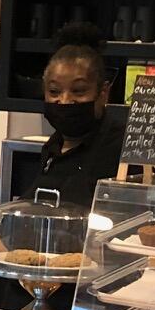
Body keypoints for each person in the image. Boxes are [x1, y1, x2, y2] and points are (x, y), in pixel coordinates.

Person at [33, 22, 126, 205]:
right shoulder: (52, 147)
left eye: (79, 91)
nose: (65, 100)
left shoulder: (121, 149)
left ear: (103, 92)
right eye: (54, 91)